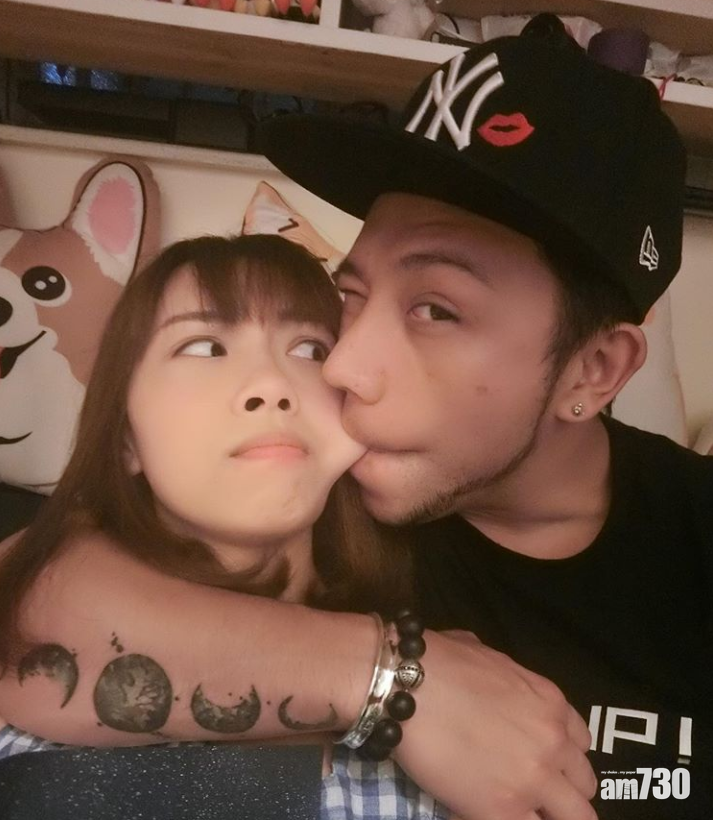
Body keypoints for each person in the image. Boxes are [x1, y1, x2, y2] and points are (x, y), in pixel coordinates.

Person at [3, 15, 710, 820]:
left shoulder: (691, 536)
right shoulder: (327, 483)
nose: (341, 367)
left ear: (594, 370)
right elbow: (37, 594)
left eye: (436, 309)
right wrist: (394, 679)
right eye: (351, 294)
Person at [0, 232, 447, 820]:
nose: (271, 386)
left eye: (311, 349)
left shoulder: (458, 682)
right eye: (205, 347)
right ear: (127, 435)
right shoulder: (27, 633)